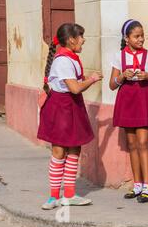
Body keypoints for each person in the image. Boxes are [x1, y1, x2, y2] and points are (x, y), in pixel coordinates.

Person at [38, 23, 103, 210]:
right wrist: (91, 79)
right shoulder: (63, 60)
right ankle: (53, 196)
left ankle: (69, 194)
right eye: (81, 36)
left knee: (74, 150)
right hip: (62, 107)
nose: (83, 39)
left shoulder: (71, 57)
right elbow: (74, 88)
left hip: (71, 106)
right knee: (59, 152)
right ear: (71, 40)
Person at [109, 19, 148, 203]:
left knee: (143, 143)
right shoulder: (119, 57)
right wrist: (121, 77)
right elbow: (111, 85)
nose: (141, 39)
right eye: (136, 36)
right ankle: (137, 184)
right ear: (127, 38)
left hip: (144, 99)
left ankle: (147, 187)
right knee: (131, 144)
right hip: (127, 100)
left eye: (142, 35)